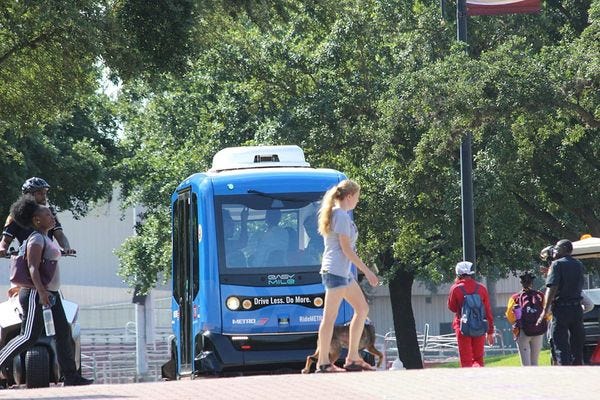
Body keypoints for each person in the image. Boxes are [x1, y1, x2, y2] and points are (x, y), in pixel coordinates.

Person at [0, 196, 93, 386]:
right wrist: (42, 293)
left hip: (51, 292)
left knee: (63, 332)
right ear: (37, 220)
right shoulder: (35, 239)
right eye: (48, 215)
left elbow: (50, 257)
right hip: (36, 293)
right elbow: (32, 268)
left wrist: (65, 250)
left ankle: (71, 376)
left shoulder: (44, 237)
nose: (52, 217)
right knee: (29, 336)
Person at [314, 179, 379, 373]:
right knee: (329, 318)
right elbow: (346, 249)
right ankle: (323, 363)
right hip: (336, 272)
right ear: (349, 196)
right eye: (357, 197)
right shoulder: (341, 215)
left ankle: (352, 357)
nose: (357, 201)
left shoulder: (338, 214)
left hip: (342, 273)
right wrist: (367, 271)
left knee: (362, 308)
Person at [537, 239, 586, 365]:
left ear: (564, 249)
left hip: (561, 310)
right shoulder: (579, 264)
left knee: (561, 347)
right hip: (576, 309)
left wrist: (545, 310)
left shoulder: (557, 264)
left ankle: (565, 375)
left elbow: (552, 288)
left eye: (557, 248)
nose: (554, 250)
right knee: (577, 349)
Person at [0, 177, 75, 258]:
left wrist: (66, 247)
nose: (44, 197)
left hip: (47, 258)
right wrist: (2, 248)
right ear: (28, 195)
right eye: (39, 193)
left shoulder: (49, 213)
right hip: (25, 257)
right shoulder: (16, 215)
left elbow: (60, 235)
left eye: (45, 193)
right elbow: (6, 240)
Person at [447, 261, 495, 367]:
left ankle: (468, 381)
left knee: (466, 359)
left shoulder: (455, 289)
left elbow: (452, 308)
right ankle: (479, 380)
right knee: (478, 358)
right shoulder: (481, 288)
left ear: (458, 274)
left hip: (462, 326)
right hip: (479, 326)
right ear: (470, 273)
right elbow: (487, 311)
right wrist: (490, 331)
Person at [505, 272, 546, 366]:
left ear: (521, 283)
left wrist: (517, 321)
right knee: (535, 362)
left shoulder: (515, 297)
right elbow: (547, 313)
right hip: (538, 331)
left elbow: (509, 315)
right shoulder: (540, 296)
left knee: (526, 364)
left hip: (523, 332)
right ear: (532, 283)